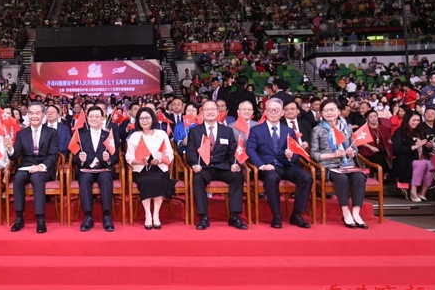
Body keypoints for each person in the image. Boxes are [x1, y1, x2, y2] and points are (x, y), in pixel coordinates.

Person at [246, 98, 312, 229]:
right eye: (270, 110)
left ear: (282, 112)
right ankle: (276, 216)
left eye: (276, 110)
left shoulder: (289, 131)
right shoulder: (256, 130)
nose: (273, 113)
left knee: (306, 177)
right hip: (267, 166)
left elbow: (296, 153)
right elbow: (250, 150)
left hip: (285, 165)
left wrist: (291, 156)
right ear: (265, 112)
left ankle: (297, 215)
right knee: (271, 177)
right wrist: (262, 165)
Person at [186, 101, 248, 230]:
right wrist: (193, 165)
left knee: (237, 176)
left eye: (213, 109)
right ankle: (203, 217)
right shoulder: (194, 131)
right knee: (197, 178)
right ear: (201, 112)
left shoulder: (227, 131)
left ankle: (235, 216)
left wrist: (235, 164)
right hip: (203, 167)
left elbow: (232, 151)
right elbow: (191, 152)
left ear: (218, 112)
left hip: (222, 167)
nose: (210, 112)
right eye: (206, 109)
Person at [310, 98, 368, 229]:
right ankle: (345, 212)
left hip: (347, 165)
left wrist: (351, 152)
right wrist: (333, 155)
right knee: (341, 179)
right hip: (328, 167)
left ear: (338, 111)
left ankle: (356, 213)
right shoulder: (317, 130)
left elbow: (355, 148)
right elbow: (314, 154)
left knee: (359, 176)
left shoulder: (346, 128)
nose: (329, 113)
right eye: (325, 110)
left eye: (332, 109)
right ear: (321, 113)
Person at [3, 102, 59, 234]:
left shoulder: (52, 132)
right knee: (18, 178)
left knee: (37, 177)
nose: (34, 116)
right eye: (31, 113)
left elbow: (53, 154)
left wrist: (41, 166)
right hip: (26, 166)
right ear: (28, 115)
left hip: (44, 167)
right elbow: (16, 155)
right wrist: (10, 148)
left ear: (43, 115)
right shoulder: (22, 133)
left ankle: (40, 219)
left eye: (37, 113)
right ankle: (19, 218)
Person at [125, 107, 175, 230]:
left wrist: (160, 160)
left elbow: (170, 153)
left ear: (153, 118)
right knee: (146, 181)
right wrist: (136, 161)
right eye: (141, 118)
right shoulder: (135, 136)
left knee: (159, 180)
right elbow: (128, 156)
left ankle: (156, 214)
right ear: (138, 121)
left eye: (147, 117)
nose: (144, 120)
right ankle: (148, 214)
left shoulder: (161, 134)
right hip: (141, 169)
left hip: (160, 168)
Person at [73, 106, 120, 232]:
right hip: (86, 169)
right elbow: (74, 158)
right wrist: (80, 159)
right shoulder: (80, 134)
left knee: (105, 177)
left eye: (97, 116)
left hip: (103, 168)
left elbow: (116, 156)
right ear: (87, 118)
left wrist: (109, 159)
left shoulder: (108, 135)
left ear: (102, 118)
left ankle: (106, 216)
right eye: (91, 116)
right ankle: (88, 216)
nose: (94, 119)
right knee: (85, 178)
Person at [391, 111, 433, 202]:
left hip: (421, 158)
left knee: (430, 164)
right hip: (405, 161)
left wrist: (429, 147)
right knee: (420, 164)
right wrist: (416, 146)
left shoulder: (421, 132)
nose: (416, 122)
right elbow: (398, 150)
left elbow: (426, 150)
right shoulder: (399, 133)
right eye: (414, 120)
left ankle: (423, 192)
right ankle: (413, 192)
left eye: (418, 120)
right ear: (407, 120)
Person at [358, 110, 391, 177]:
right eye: (371, 117)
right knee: (379, 158)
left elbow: (389, 139)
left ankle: (383, 175)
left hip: (383, 150)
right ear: (367, 119)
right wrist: (371, 147)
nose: (374, 118)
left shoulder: (383, 127)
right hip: (369, 151)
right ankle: (382, 175)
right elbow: (360, 141)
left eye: (375, 116)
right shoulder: (364, 128)